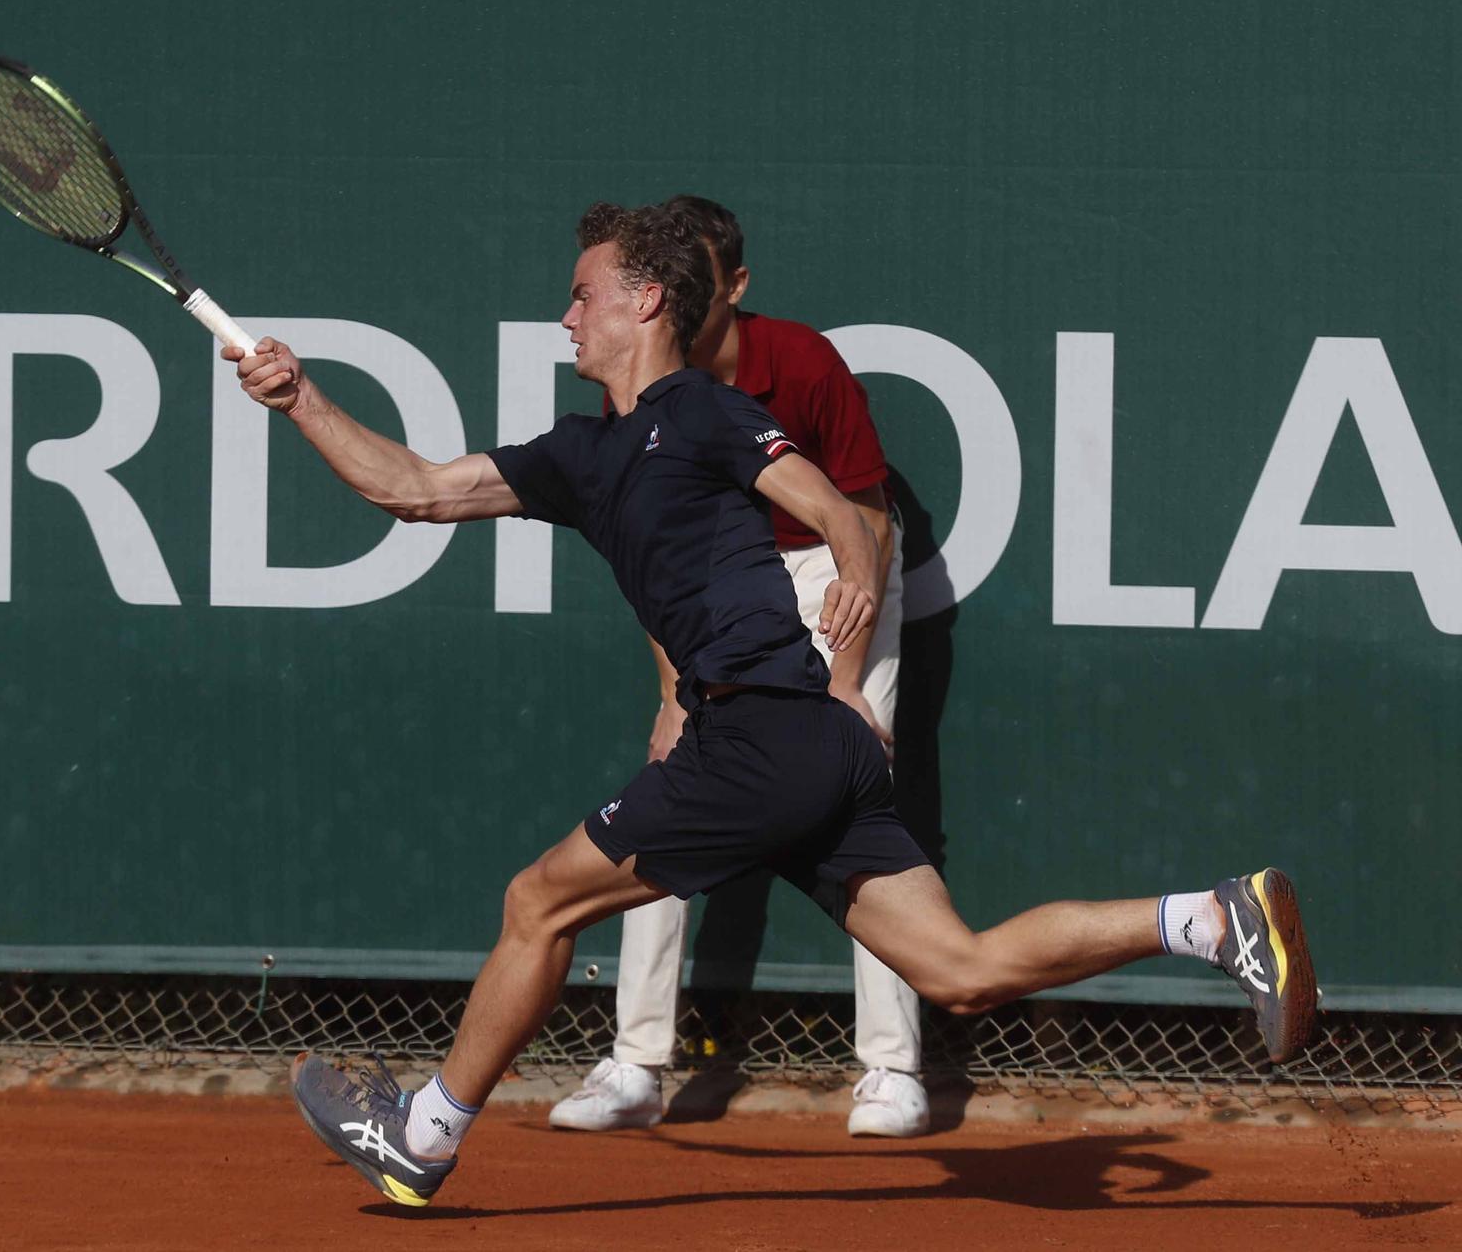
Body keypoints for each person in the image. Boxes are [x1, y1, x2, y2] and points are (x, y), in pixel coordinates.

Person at [227, 201, 1318, 1209]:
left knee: (535, 901)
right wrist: (301, 398)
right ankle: (1216, 916)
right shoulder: (582, 451)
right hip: (803, 746)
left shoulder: (704, 411)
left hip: (762, 731)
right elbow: (411, 488)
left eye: (582, 292)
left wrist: (846, 628)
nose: (565, 313)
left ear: (644, 300)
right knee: (963, 969)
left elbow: (841, 510)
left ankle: (424, 1131)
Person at [549, 195, 926, 1139]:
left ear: (733, 286)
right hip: (725, 589)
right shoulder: (634, 392)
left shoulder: (799, 360)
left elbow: (866, 522)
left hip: (837, 568)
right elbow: (656, 557)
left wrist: (843, 679)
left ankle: (891, 1069)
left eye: (699, 284)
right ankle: (637, 1062)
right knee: (663, 790)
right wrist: (674, 690)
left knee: (863, 789)